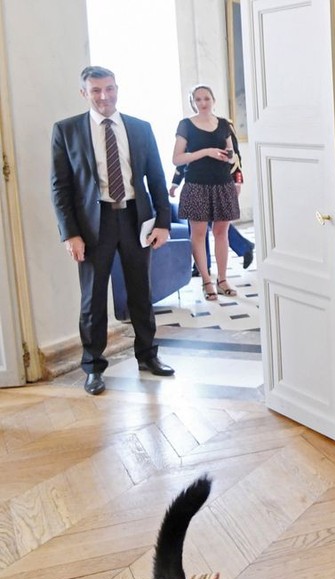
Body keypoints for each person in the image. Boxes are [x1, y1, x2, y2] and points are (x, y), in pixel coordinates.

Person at [51, 66, 176, 396]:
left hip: (136, 219)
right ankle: (93, 367)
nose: (104, 96)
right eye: (95, 91)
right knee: (93, 300)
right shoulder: (67, 131)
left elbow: (157, 179)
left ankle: (148, 356)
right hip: (95, 225)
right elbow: (60, 187)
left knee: (140, 293)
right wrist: (70, 234)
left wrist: (162, 222)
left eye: (109, 89)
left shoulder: (139, 128)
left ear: (117, 88)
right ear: (84, 93)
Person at [172, 84, 241, 301]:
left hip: (222, 183)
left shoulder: (223, 124)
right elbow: (177, 158)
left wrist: (228, 158)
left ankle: (222, 279)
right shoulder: (186, 125)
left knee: (222, 232)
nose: (203, 103)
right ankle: (206, 280)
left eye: (206, 99)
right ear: (193, 102)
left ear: (213, 100)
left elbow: (232, 154)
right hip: (197, 185)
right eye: (198, 99)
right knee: (199, 234)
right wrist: (206, 152)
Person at [170, 136, 253, 272]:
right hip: (196, 184)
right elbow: (183, 158)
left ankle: (242, 248)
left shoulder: (223, 126)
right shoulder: (187, 128)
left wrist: (237, 181)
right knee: (199, 227)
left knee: (217, 225)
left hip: (219, 183)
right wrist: (175, 182)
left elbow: (235, 156)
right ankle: (203, 266)